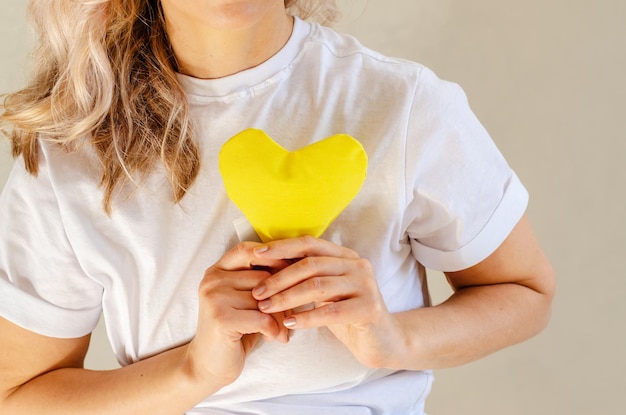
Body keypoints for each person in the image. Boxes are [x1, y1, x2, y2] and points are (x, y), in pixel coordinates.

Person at [0, 1, 555, 414]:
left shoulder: (403, 104)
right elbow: (19, 395)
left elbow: (525, 293)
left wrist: (395, 338)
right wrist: (194, 370)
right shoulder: (70, 146)